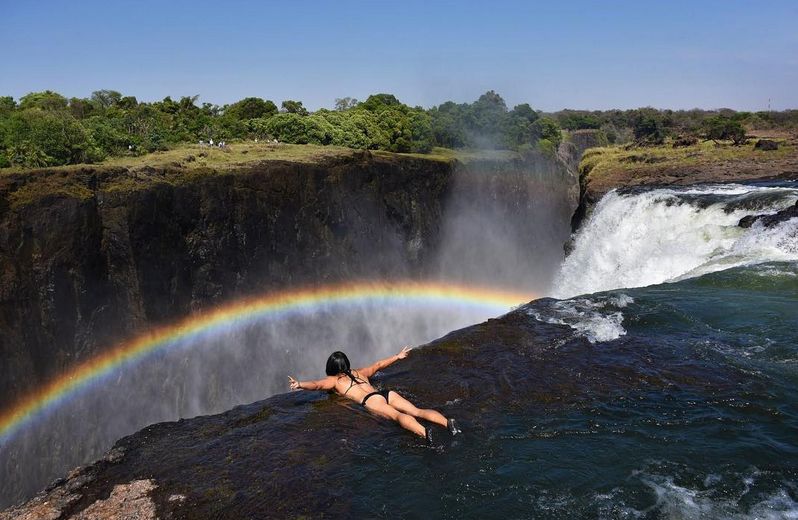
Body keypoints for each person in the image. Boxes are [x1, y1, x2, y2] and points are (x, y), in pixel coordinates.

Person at [288, 347, 460, 444]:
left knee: (398, 416)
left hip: (371, 401)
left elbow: (317, 384)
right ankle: (448, 423)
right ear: (346, 364)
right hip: (384, 393)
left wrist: (300, 384)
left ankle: (425, 433)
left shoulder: (334, 381)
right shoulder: (359, 372)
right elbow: (378, 365)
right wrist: (397, 356)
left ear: (331, 368)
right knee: (417, 410)